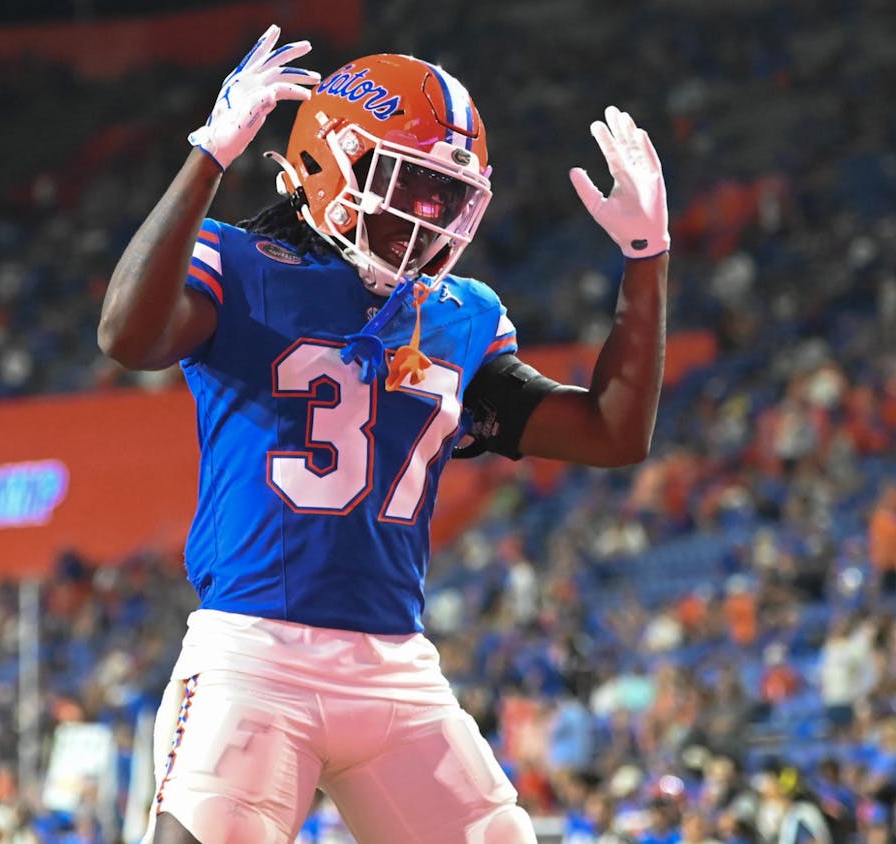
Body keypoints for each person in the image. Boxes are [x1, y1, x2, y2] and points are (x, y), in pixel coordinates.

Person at [98, 23, 669, 844]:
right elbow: (125, 333)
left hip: (397, 667)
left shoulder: (458, 314)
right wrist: (207, 158)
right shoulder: (244, 266)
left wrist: (646, 258)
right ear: (329, 166)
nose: (426, 216)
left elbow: (615, 433)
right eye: (408, 184)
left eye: (445, 195)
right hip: (256, 660)